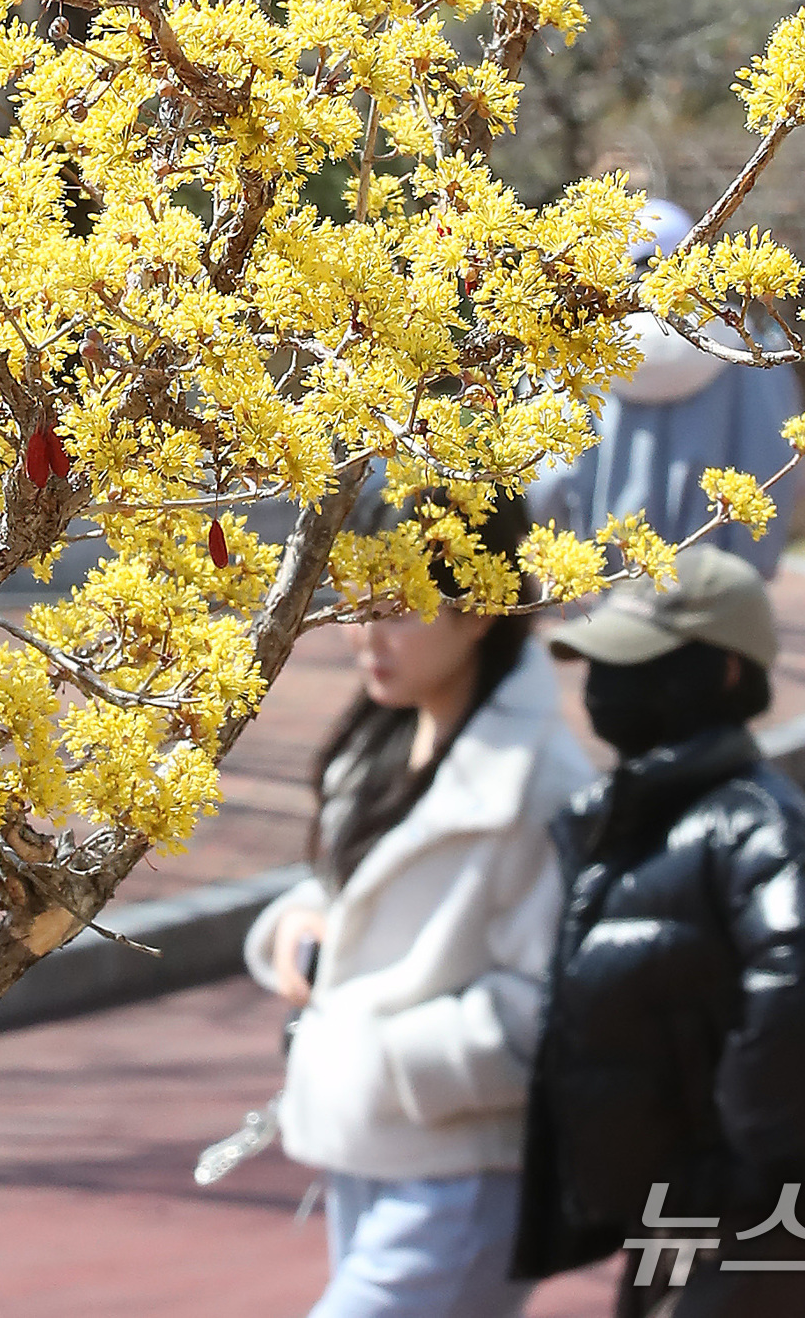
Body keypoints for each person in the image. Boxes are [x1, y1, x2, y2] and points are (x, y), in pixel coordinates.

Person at [514, 545, 805, 1315]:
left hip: (757, 1232)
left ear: (725, 671)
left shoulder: (747, 822)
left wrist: (749, 1158)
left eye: (637, 663)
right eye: (601, 663)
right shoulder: (656, 817)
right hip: (689, 1225)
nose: (603, 688)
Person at [244, 487, 593, 1318]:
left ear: (479, 610)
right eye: (354, 599)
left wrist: (384, 1063)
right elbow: (349, 893)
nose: (366, 632)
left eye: (397, 605)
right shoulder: (383, 740)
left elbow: (551, 1006)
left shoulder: (540, 783)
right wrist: (298, 925)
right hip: (372, 1155)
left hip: (464, 1174)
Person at [528, 200, 803, 580]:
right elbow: (781, 462)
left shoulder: (578, 361)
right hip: (729, 586)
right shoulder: (751, 353)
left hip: (620, 586)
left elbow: (546, 482)